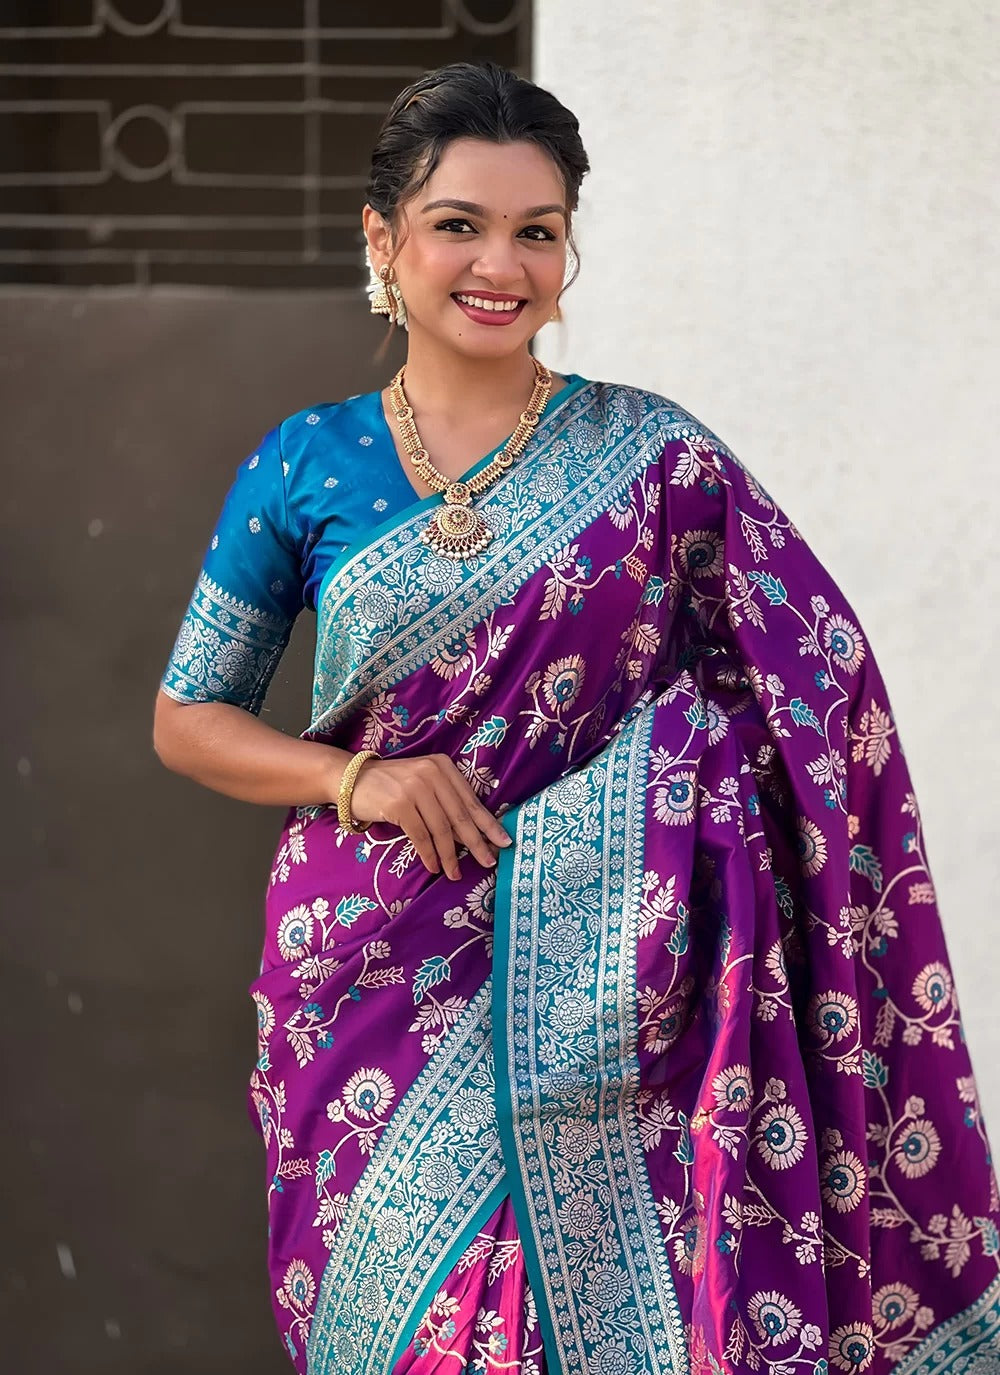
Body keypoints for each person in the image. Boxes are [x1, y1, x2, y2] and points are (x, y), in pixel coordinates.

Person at [153, 59, 1000, 1375]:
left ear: (568, 254)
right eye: (460, 225)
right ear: (384, 242)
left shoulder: (657, 459)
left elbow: (817, 677)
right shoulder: (309, 462)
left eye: (536, 232)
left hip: (626, 988)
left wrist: (657, 804)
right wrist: (357, 783)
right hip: (371, 977)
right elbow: (188, 716)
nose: (501, 263)